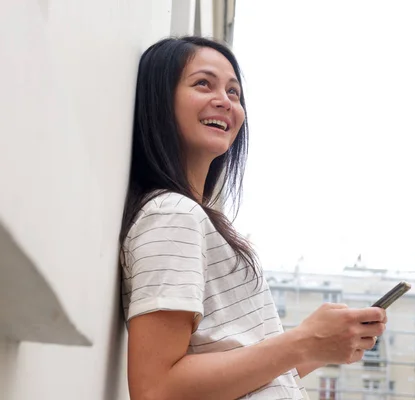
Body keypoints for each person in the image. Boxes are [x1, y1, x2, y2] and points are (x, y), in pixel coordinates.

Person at [119, 36, 387, 400]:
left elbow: (226, 368)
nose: (225, 101)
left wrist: (316, 347)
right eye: (203, 83)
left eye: (234, 92)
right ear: (159, 100)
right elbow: (157, 389)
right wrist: (302, 341)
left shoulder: (193, 217)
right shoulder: (172, 214)